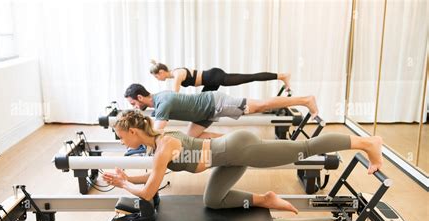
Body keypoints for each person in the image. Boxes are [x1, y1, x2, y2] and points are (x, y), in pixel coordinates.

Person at [102, 110, 384, 213]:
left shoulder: (163, 146)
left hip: (240, 149)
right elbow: (152, 179)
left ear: (134, 131)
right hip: (229, 158)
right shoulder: (158, 145)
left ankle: (367, 142)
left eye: (122, 137)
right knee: (212, 199)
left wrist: (124, 183)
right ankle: (265, 198)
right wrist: (125, 180)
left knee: (304, 148)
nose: (122, 142)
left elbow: (149, 192)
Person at [124, 83, 319, 138]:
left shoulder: (162, 102)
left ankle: (305, 99)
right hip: (203, 114)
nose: (134, 107)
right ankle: (239, 143)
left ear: (140, 98)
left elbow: (157, 132)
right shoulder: (159, 101)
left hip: (214, 103)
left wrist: (139, 139)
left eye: (133, 103)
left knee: (261, 105)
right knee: (192, 138)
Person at [149, 60, 291, 93]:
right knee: (205, 104)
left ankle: (282, 76)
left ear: (161, 72)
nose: (158, 80)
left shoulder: (177, 74)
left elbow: (175, 95)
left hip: (214, 77)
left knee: (249, 77)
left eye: (156, 77)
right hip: (210, 81)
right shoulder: (175, 73)